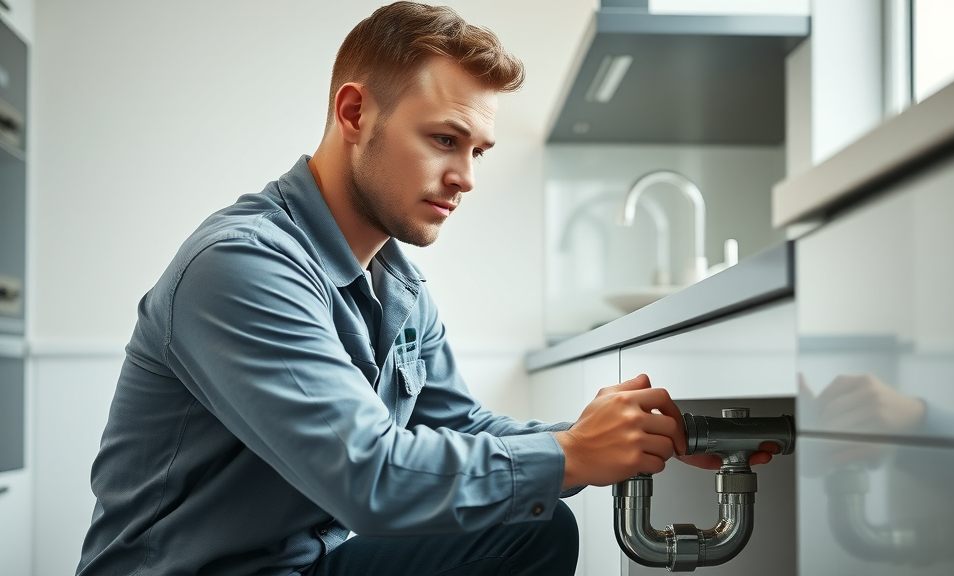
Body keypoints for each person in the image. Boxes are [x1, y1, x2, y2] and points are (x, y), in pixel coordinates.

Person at [76, 3, 769, 575]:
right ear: (354, 115)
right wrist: (573, 453)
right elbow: (369, 479)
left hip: (301, 566)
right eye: (444, 139)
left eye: (478, 152)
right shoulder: (241, 268)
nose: (466, 176)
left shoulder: (396, 283)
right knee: (535, 521)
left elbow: (461, 429)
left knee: (528, 531)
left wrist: (633, 436)